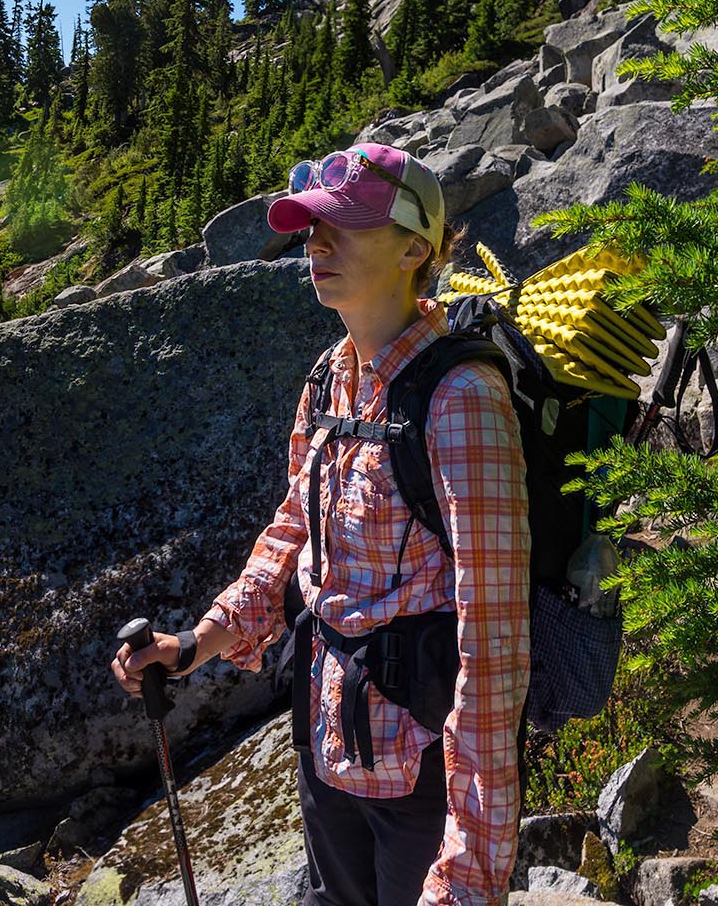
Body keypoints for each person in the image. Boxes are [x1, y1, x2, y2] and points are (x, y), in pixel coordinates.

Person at [112, 143, 528, 906]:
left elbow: (495, 644)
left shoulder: (461, 398)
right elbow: (292, 533)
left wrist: (471, 866)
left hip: (421, 767)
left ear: (415, 249)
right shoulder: (328, 377)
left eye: (342, 227)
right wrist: (197, 642)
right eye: (310, 227)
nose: (316, 243)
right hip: (328, 739)